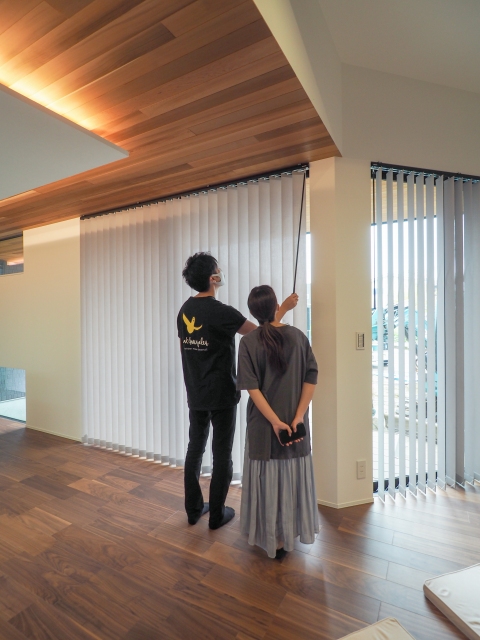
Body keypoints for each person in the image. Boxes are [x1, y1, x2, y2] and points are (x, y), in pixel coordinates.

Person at [178, 253, 297, 530]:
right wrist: (282, 310)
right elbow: (262, 335)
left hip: (195, 392)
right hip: (221, 394)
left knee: (195, 449)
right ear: (213, 278)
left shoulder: (184, 311)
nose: (221, 272)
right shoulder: (223, 312)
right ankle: (217, 515)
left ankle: (193, 511)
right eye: (218, 269)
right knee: (221, 454)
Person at [237, 284, 319, 558]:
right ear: (276, 307)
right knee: (293, 481)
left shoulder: (248, 343)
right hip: (295, 425)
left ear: (252, 312)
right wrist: (299, 416)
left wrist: (273, 422)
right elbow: (311, 377)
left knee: (267, 484)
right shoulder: (298, 337)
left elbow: (252, 389)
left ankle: (270, 537)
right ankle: (290, 534)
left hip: (263, 426)